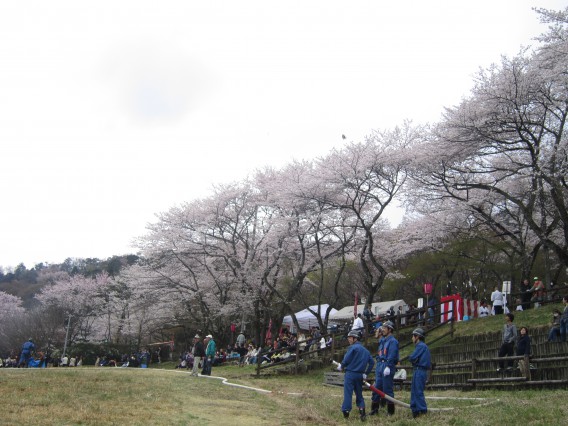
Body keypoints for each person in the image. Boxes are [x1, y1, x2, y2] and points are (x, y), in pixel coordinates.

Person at [336, 330, 375, 420]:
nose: (348, 340)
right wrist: (366, 373)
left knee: (348, 394)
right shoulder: (366, 351)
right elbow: (372, 363)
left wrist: (341, 366)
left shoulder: (352, 348)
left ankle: (346, 411)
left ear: (355, 338)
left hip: (350, 374)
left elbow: (346, 359)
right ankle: (362, 411)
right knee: (359, 394)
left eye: (350, 338)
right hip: (360, 375)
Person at [370, 320, 399, 417]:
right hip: (380, 366)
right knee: (376, 388)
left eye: (385, 328)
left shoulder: (393, 342)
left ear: (390, 329)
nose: (383, 330)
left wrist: (388, 366)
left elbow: (392, 355)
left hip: (387, 366)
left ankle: (391, 411)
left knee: (387, 389)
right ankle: (374, 409)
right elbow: (380, 352)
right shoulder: (384, 340)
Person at [409, 328, 431, 419]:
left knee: (418, 391)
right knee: (414, 391)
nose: (412, 338)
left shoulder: (421, 346)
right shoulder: (421, 346)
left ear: (417, 337)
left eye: (413, 336)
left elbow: (412, 357)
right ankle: (415, 410)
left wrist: (413, 359)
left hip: (420, 370)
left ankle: (422, 410)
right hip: (417, 370)